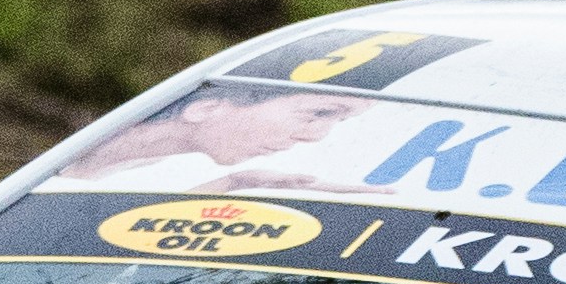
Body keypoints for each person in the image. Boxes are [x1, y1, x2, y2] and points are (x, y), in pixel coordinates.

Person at [47, 79, 380, 192]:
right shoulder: (51, 149)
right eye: (319, 113)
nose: (317, 137)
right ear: (205, 108)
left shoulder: (138, 165)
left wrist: (234, 183)